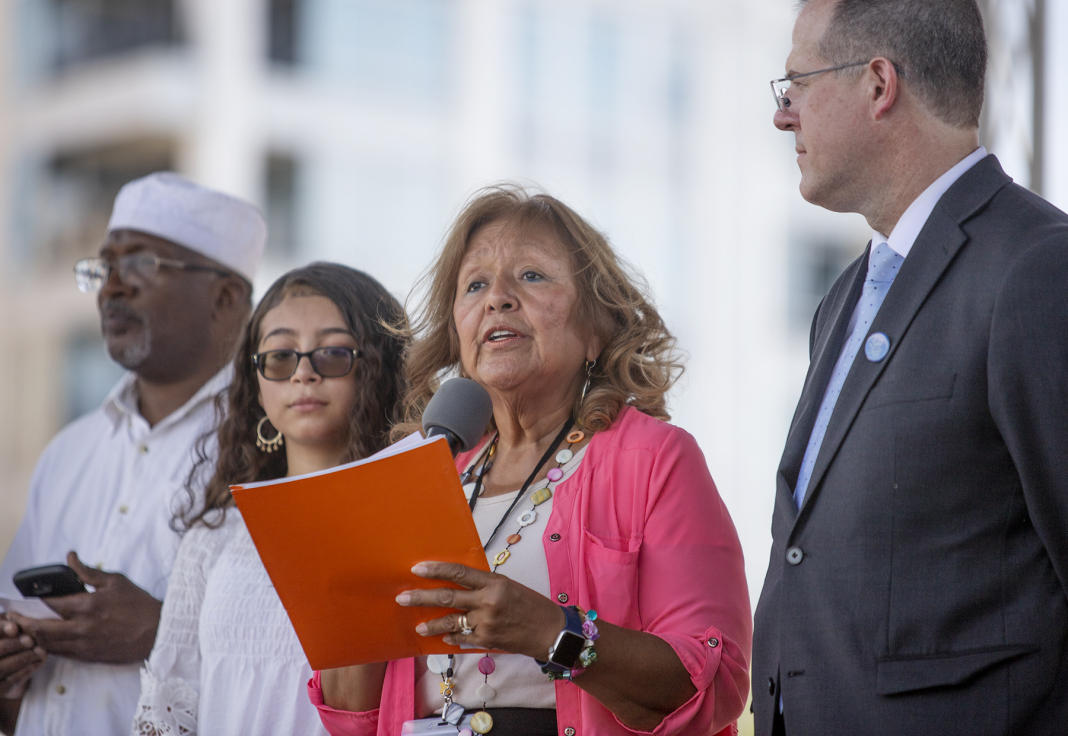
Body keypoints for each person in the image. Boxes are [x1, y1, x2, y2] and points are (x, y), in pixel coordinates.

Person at [753, 0, 1068, 736]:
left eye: (796, 84)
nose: (782, 114)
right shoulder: (842, 299)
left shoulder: (1037, 268)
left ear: (878, 83)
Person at [308, 186, 752, 736]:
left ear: (595, 330)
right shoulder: (425, 478)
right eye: (475, 285)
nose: (497, 298)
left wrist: (552, 632)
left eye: (532, 276)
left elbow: (715, 684)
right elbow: (352, 716)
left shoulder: (653, 459)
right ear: (458, 334)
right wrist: (346, 596)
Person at [0, 172, 267, 736]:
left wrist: (160, 632)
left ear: (225, 297)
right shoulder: (70, 451)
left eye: (142, 263)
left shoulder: (271, 450)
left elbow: (304, 662)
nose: (111, 286)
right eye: (105, 265)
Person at [130, 262, 408, 735]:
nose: (303, 373)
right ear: (256, 384)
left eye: (333, 353)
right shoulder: (215, 535)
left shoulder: (409, 520)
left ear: (377, 367)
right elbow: (168, 708)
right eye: (280, 357)